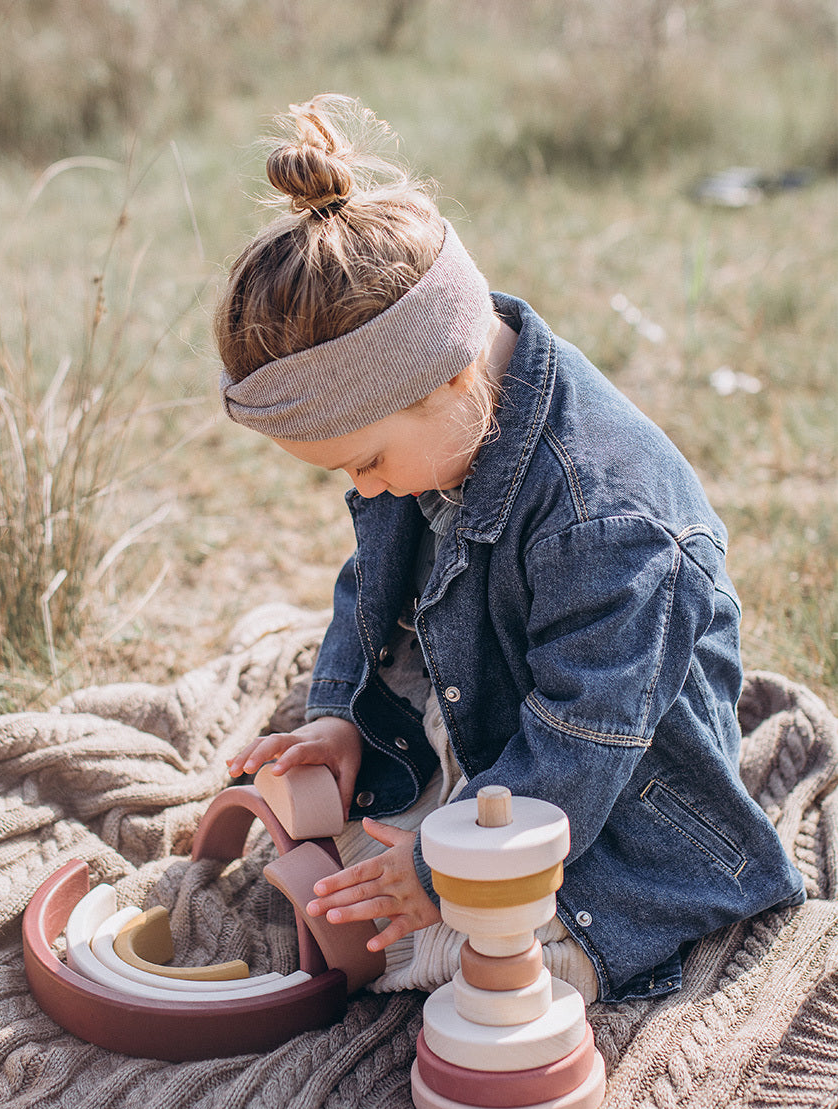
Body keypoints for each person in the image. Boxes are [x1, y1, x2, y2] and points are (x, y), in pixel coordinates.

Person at [216, 94, 805, 1004]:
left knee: (473, 968)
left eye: (366, 461)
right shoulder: (438, 429)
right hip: (493, 703)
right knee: (349, 870)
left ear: (450, 376)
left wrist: (452, 871)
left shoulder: (609, 522)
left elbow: (585, 737)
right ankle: (432, 832)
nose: (364, 488)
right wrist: (336, 715)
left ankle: (514, 896)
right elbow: (373, 583)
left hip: (617, 789)